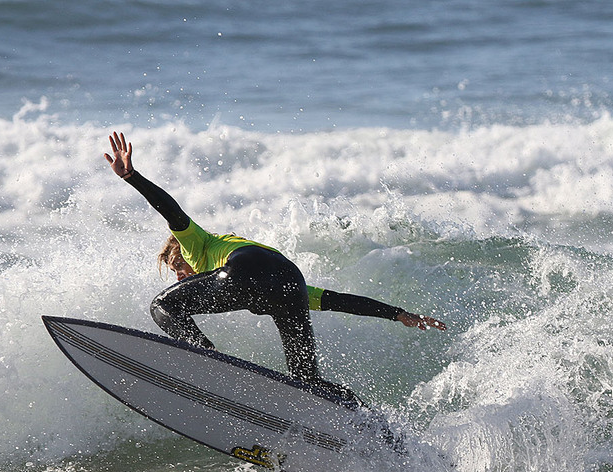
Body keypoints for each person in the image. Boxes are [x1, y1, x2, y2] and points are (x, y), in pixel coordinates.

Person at [103, 131, 446, 393]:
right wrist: (398, 314)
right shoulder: (251, 263)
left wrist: (132, 178)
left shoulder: (196, 243)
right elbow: (337, 300)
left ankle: (205, 360)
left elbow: (170, 209)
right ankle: (362, 418)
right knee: (307, 384)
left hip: (245, 269)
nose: (182, 278)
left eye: (179, 269)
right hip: (288, 281)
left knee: (163, 305)